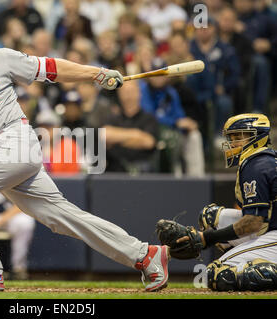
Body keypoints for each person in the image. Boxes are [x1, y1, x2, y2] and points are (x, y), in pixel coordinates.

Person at [0, 9, 169, 292]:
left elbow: (51, 68)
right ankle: (145, 254)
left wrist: (95, 73)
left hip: (15, 142)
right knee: (62, 218)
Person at [175, 113, 277, 291]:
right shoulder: (261, 159)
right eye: (232, 137)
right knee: (211, 217)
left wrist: (206, 239)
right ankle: (249, 258)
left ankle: (254, 263)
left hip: (270, 230)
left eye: (239, 137)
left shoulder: (257, 165)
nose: (233, 143)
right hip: (270, 226)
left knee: (218, 275)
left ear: (258, 137)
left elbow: (253, 222)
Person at [139, 58, 205, 177]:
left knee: (195, 136)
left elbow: (179, 114)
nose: (158, 77)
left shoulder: (171, 92)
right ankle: (176, 176)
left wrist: (186, 123)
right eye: (155, 73)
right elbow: (149, 116)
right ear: (149, 75)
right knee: (172, 140)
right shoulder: (144, 91)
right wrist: (174, 122)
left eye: (161, 74)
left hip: (174, 131)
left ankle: (197, 177)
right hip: (155, 132)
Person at [104, 81, 159, 174]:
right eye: (125, 92)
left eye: (131, 91)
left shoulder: (149, 118)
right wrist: (136, 134)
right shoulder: (112, 118)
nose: (128, 95)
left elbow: (148, 142)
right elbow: (105, 135)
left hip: (143, 171)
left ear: (139, 93)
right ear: (119, 94)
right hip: (115, 170)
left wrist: (117, 139)